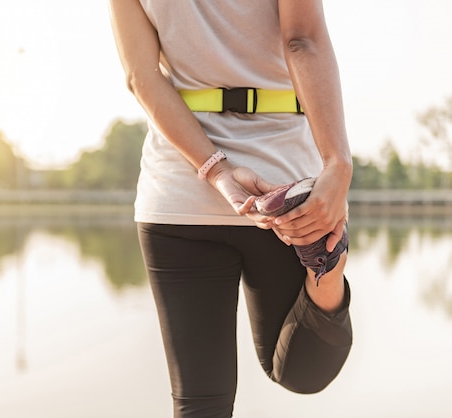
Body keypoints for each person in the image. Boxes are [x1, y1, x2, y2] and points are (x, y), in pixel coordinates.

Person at [109, 1, 353, 417]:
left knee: (200, 403)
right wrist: (337, 163)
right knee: (302, 372)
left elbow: (142, 77)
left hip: (179, 191)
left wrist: (218, 171)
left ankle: (325, 271)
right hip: (285, 191)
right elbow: (303, 40)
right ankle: (326, 269)